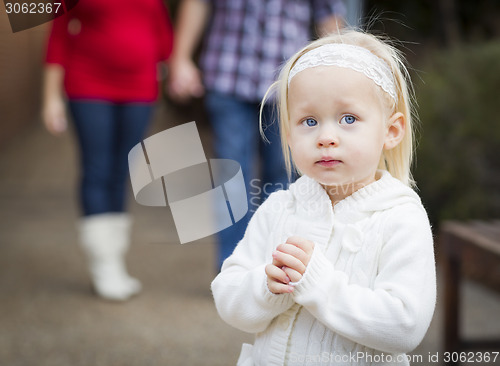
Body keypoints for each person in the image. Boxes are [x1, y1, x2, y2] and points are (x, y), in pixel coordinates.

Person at [211, 29, 436, 365]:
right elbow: (228, 295)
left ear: (391, 131)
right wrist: (266, 287)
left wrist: (318, 284)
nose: (326, 137)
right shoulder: (279, 208)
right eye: (309, 121)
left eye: (349, 119)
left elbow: (405, 326)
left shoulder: (400, 217)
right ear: (288, 136)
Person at [168, 0, 346, 270]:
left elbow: (329, 18)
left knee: (282, 177)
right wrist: (180, 59)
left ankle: (274, 264)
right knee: (232, 177)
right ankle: (232, 268)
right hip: (228, 77)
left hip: (288, 86)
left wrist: (336, 75)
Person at [41, 0, 173, 301]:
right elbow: (57, 35)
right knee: (97, 168)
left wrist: (172, 67)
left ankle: (115, 258)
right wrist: (50, 97)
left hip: (140, 89)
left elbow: (163, 34)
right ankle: (104, 263)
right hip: (88, 85)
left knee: (120, 171)